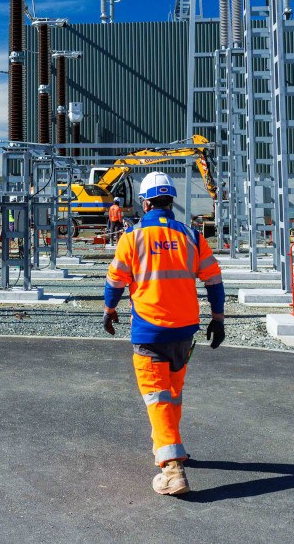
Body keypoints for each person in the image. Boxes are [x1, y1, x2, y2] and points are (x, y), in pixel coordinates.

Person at [103, 171, 225, 496]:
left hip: (150, 331)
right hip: (185, 332)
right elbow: (214, 279)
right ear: (171, 201)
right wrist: (218, 318)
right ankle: (168, 444)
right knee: (172, 393)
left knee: (156, 396)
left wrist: (109, 309)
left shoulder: (132, 236)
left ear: (145, 203)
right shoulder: (192, 236)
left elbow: (115, 281)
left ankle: (172, 470)